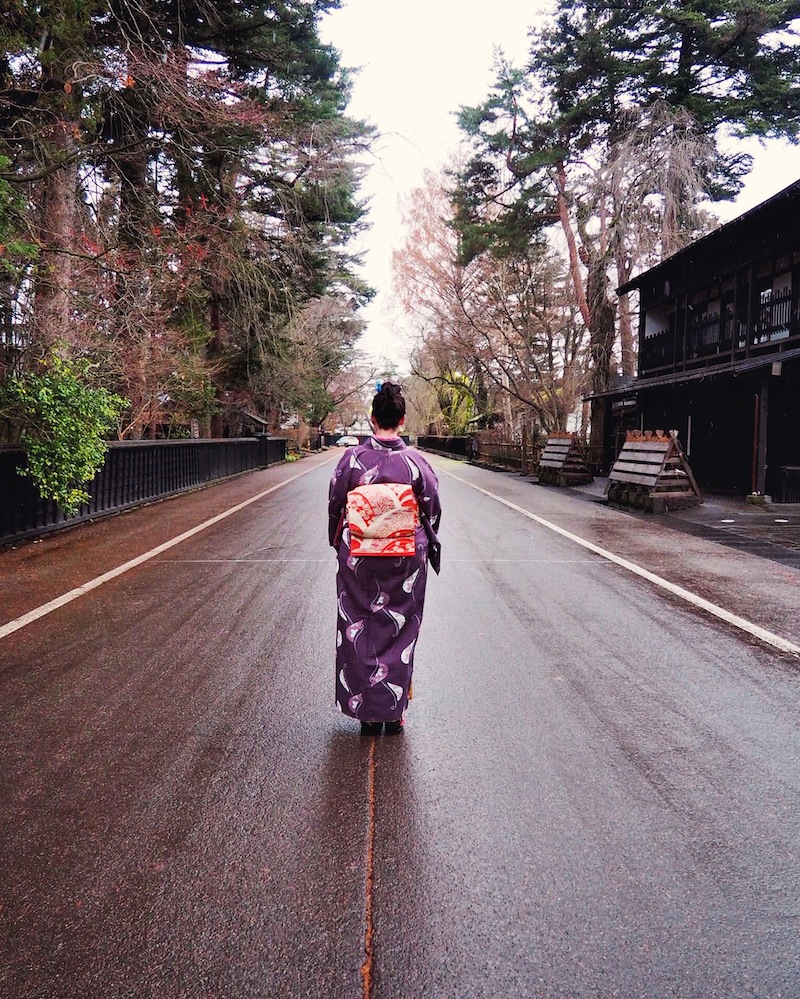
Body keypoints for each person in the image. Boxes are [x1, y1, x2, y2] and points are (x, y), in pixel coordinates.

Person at [328, 382, 441, 736]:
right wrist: (428, 543)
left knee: (358, 628)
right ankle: (393, 714)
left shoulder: (352, 460)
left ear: (373, 420)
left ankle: (365, 712)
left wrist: (338, 541)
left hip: (360, 556)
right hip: (404, 555)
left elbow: (336, 505)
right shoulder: (415, 462)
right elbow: (432, 509)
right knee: (400, 629)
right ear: (402, 421)